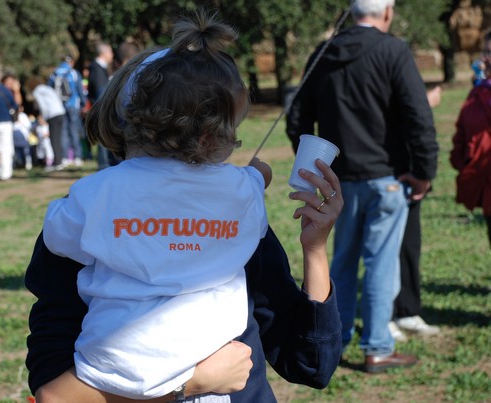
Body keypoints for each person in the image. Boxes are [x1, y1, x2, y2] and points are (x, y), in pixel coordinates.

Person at [27, 11, 343, 402]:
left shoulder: (88, 206)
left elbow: (310, 363)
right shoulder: (236, 203)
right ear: (210, 137)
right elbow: (55, 394)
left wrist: (314, 249)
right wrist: (192, 383)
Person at [287, 0, 439, 373]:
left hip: (338, 179)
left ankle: (333, 342)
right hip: (385, 178)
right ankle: (378, 347)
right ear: (387, 12)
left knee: (340, 261)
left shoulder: (324, 52)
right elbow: (419, 117)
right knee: (380, 265)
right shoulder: (393, 50)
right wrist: (424, 172)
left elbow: (297, 117)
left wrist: (313, 164)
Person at [389, 86, 443, 342]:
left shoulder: (397, 57)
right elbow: (415, 114)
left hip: (403, 172)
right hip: (379, 173)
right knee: (377, 255)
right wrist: (424, 102)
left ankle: (407, 311)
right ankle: (381, 319)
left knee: (408, 245)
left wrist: (422, 172)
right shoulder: (391, 55)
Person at [450, 32, 491, 248]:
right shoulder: (478, 93)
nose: (485, 59)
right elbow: (462, 131)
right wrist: (461, 161)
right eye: (485, 52)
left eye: (490, 53)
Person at [48, 55, 86, 169]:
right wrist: (83, 103)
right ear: (72, 62)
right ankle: (77, 157)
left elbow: (49, 90)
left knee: (63, 132)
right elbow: (80, 89)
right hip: (73, 105)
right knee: (73, 130)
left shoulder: (54, 73)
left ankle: (64, 157)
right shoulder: (73, 73)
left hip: (59, 106)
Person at [27, 77, 66, 171]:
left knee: (54, 139)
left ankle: (58, 163)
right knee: (59, 137)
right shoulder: (47, 88)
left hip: (52, 115)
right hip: (60, 112)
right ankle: (61, 159)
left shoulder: (37, 91)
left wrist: (43, 117)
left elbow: (42, 105)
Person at [87, 42, 114, 170]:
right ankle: (103, 164)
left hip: (102, 109)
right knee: (103, 137)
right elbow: (100, 92)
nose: (112, 55)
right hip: (102, 110)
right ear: (103, 53)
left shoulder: (99, 68)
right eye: (110, 52)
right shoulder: (97, 69)